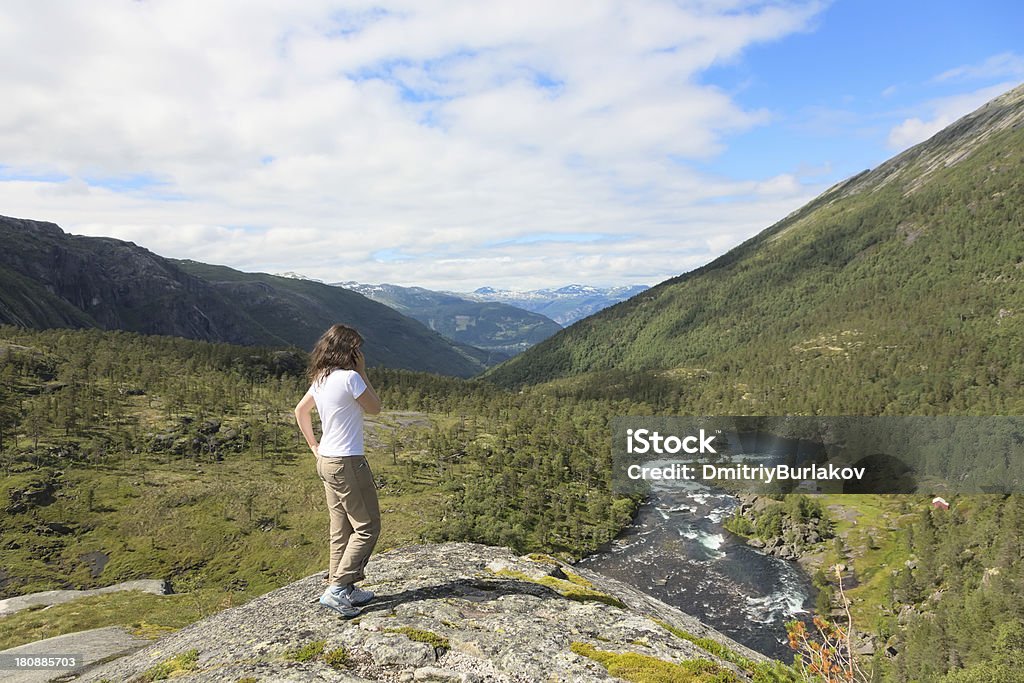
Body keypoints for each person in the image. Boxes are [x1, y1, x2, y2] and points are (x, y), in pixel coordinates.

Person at [294, 323, 382, 617]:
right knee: (368, 526)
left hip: (326, 461)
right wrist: (363, 372)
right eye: (356, 347)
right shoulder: (350, 379)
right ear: (349, 350)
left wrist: (313, 447)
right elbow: (375, 407)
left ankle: (344, 588)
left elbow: (300, 411)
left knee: (340, 528)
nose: (360, 351)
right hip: (348, 462)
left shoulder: (321, 378)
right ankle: (337, 589)